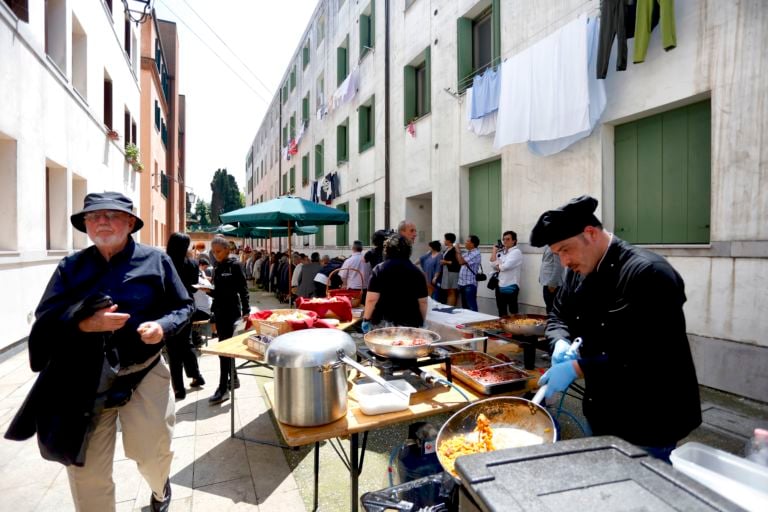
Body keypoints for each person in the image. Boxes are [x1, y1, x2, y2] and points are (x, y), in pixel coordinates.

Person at [5, 192, 193, 512]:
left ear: (130, 223)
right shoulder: (71, 267)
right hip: (84, 379)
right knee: (86, 473)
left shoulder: (157, 261)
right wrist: (83, 325)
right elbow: (45, 320)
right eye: (94, 216)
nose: (102, 221)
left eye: (112, 215)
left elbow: (183, 306)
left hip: (144, 372)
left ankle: (160, 487)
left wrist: (162, 326)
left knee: (151, 452)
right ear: (86, 226)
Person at [531, 195, 701, 463]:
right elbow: (558, 314)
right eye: (557, 254)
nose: (564, 261)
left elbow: (651, 353)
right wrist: (560, 341)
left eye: (566, 249)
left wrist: (578, 368)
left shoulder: (648, 273)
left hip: (649, 416)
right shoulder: (577, 270)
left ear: (591, 233)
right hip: (601, 409)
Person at [207, 236, 249, 405]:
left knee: (224, 350)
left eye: (218, 251)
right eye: (213, 252)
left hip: (232, 312)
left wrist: (246, 311)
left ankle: (223, 388)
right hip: (219, 311)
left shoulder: (235, 265)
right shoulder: (216, 266)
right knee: (225, 349)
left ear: (227, 250)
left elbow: (243, 290)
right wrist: (207, 290)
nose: (215, 255)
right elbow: (217, 292)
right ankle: (234, 379)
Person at [165, 232, 205, 400]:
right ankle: (196, 376)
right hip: (187, 307)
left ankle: (178, 388)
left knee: (173, 349)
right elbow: (195, 288)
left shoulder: (164, 262)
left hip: (168, 309)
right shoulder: (192, 263)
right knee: (186, 343)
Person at [362, 234, 428, 332]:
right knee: (405, 346)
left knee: (383, 347)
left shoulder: (379, 269)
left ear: (386, 251)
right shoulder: (417, 272)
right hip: (410, 322)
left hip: (383, 322)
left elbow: (371, 299)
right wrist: (422, 321)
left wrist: (366, 319)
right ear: (409, 251)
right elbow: (423, 302)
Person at [489, 231, 523, 316]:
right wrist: (494, 251)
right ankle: (503, 329)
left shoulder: (516, 252)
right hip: (499, 284)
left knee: (513, 311)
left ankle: (514, 329)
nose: (505, 241)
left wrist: (498, 265)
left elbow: (505, 267)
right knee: (501, 310)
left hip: (510, 285)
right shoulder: (501, 252)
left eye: (508, 239)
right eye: (504, 239)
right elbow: (491, 264)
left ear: (514, 241)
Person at [455, 235, 482, 311]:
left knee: (471, 306)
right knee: (465, 308)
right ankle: (467, 322)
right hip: (462, 283)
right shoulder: (468, 252)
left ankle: (475, 322)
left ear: (472, 244)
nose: (465, 243)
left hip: (469, 284)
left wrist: (457, 250)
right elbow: (459, 259)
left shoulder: (475, 253)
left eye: (467, 241)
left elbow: (460, 261)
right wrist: (458, 252)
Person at [539, 246, 564, 313]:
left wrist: (553, 283)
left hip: (552, 284)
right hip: (547, 282)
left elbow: (559, 265)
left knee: (553, 310)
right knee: (549, 308)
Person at [439, 233, 461, 306]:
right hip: (447, 271)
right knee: (448, 290)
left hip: (452, 272)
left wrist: (445, 261)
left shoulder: (454, 249)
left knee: (452, 290)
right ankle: (449, 305)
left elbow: (456, 262)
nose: (444, 241)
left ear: (448, 240)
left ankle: (451, 307)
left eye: (445, 239)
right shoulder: (447, 249)